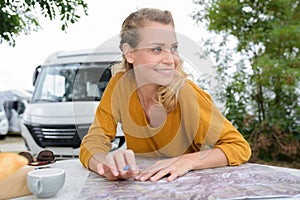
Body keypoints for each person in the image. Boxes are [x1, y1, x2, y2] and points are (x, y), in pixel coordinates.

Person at [79, 8, 251, 182]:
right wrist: (105, 164)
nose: (171, 60)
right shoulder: (119, 85)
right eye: (157, 49)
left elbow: (238, 146)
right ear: (130, 53)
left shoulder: (186, 92)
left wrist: (187, 161)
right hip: (142, 188)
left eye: (173, 48)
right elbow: (95, 139)